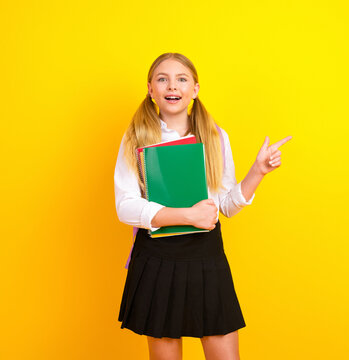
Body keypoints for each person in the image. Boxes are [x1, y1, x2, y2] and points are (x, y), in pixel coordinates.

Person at [114, 52, 292, 360]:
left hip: (206, 256)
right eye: (162, 79)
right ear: (150, 89)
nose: (172, 86)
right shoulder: (135, 137)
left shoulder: (215, 137)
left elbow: (225, 204)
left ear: (195, 89)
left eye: (181, 79)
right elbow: (125, 206)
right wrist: (188, 215)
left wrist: (257, 172)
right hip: (157, 259)